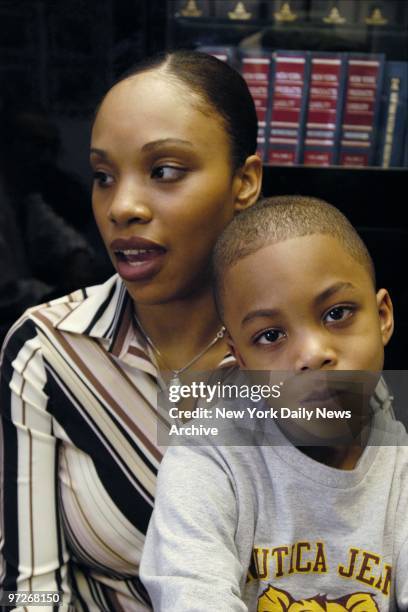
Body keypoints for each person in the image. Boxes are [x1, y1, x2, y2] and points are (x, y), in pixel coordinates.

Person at [0, 51, 263, 610]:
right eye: (102, 176)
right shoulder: (47, 354)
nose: (122, 207)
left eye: (164, 171)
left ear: (244, 182)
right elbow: (33, 594)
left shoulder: (311, 352)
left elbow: (355, 561)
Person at [140, 196, 408, 611]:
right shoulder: (209, 456)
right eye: (270, 336)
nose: (312, 354)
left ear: (384, 316)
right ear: (242, 360)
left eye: (337, 313)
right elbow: (190, 595)